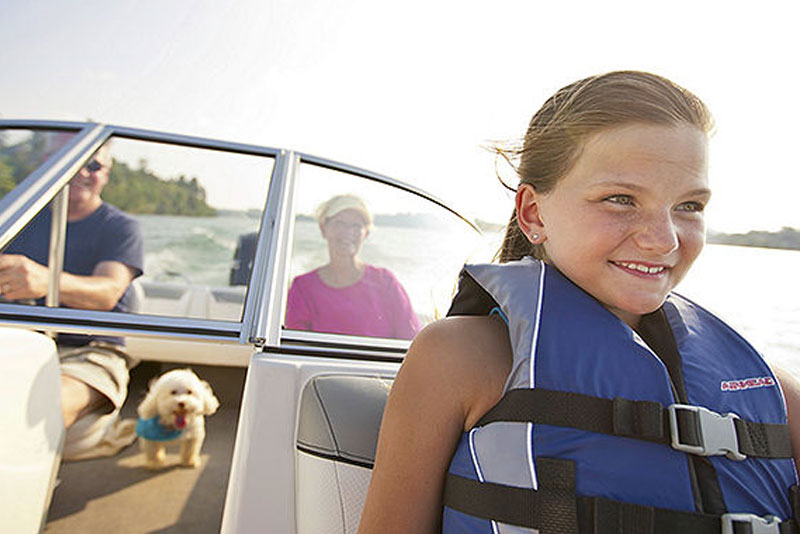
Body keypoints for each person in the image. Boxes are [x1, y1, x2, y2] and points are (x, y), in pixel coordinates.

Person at [358, 71, 800, 533]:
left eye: (689, 206)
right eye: (621, 199)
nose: (664, 240)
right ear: (534, 213)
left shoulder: (776, 393)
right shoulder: (459, 359)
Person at [0, 141, 144, 460]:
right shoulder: (14, 219)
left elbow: (108, 293)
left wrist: (45, 280)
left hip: (91, 353)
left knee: (38, 413)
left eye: (93, 165)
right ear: (47, 163)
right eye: (67, 161)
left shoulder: (121, 227)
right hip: (15, 342)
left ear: (105, 174)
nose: (80, 171)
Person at [285, 194, 421, 340]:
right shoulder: (303, 288)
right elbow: (295, 345)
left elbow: (413, 341)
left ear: (366, 233)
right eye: (340, 223)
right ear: (323, 229)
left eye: (356, 225)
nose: (348, 231)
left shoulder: (385, 282)